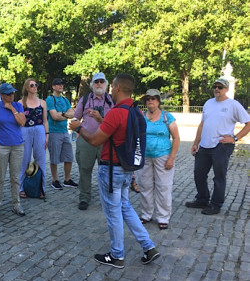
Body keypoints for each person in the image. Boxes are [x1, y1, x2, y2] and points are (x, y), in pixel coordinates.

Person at [69, 73, 160, 269]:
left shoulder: (116, 112)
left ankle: (117, 255)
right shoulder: (136, 111)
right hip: (127, 169)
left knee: (113, 212)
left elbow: (95, 140)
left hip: (111, 170)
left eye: (112, 86)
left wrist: (78, 128)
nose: (109, 89)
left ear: (117, 88)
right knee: (125, 207)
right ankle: (148, 246)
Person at [186, 77, 250, 215]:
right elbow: (202, 124)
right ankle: (202, 199)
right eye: (215, 86)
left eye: (220, 87)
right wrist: (196, 143)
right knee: (199, 173)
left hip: (221, 146)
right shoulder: (208, 103)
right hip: (204, 145)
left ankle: (216, 204)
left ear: (226, 89)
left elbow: (248, 123)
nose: (217, 89)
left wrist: (234, 138)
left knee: (219, 176)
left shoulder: (233, 105)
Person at [138, 89, 180, 229]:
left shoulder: (167, 117)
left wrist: (171, 158)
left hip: (163, 156)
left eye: (154, 98)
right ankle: (146, 214)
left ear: (158, 101)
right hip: (145, 156)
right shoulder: (141, 116)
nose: (150, 101)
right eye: (148, 98)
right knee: (145, 186)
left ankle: (163, 217)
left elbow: (176, 138)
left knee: (163, 187)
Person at [74, 72, 113, 210]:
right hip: (86, 140)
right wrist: (77, 131)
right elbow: (75, 118)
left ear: (106, 85)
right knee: (84, 169)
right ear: (92, 85)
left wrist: (100, 118)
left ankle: (108, 198)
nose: (99, 84)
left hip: (105, 140)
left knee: (107, 170)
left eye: (102, 82)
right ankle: (84, 197)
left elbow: (115, 122)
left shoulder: (111, 100)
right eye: (96, 82)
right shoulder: (85, 99)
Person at [0, 83, 26, 217]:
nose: (11, 96)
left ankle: (16, 204)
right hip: (1, 146)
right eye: (8, 94)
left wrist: (11, 109)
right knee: (0, 178)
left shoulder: (18, 106)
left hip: (17, 146)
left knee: (15, 177)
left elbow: (22, 122)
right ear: (2, 95)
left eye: (13, 93)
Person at [18, 78, 49, 199]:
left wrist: (47, 135)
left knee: (41, 159)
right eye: (31, 85)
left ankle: (41, 188)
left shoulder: (42, 102)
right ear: (26, 87)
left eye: (36, 85)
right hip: (25, 130)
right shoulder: (21, 102)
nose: (34, 87)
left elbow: (45, 121)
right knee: (24, 160)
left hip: (39, 129)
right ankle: (21, 187)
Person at [45, 78, 78, 190]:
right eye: (58, 84)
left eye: (62, 84)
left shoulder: (65, 100)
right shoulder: (50, 99)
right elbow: (54, 116)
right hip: (54, 132)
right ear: (53, 86)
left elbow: (72, 113)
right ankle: (55, 180)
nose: (61, 86)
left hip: (65, 131)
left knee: (69, 157)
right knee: (54, 158)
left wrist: (62, 114)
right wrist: (65, 114)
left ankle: (67, 180)